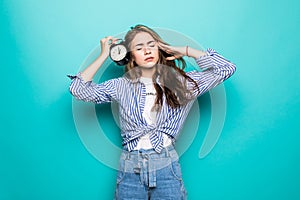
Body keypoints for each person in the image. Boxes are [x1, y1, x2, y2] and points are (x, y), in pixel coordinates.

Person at [68, 24, 236, 200]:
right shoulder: (121, 85)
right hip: (130, 166)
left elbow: (225, 68)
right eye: (139, 48)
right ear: (129, 55)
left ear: (160, 48)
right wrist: (104, 55)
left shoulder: (182, 83)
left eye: (151, 45)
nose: (147, 51)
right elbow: (79, 89)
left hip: (166, 164)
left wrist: (185, 50)